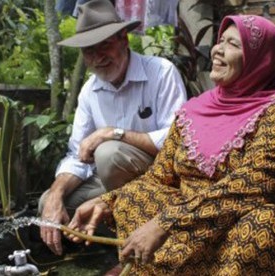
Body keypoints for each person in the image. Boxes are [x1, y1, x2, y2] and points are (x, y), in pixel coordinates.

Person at [67, 14, 275, 275]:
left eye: (233, 44)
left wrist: (165, 224)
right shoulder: (193, 111)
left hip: (240, 224)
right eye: (220, 41)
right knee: (134, 196)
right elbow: (158, 178)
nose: (218, 49)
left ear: (260, 59)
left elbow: (246, 190)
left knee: (263, 226)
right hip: (192, 224)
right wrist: (107, 201)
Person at [39, 0, 187, 256]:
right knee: (48, 202)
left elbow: (177, 140)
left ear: (124, 39)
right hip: (114, 183)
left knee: (108, 153)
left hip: (161, 181)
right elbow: (78, 156)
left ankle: (142, 242)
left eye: (104, 44)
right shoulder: (89, 91)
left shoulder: (161, 72)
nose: (98, 57)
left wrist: (113, 133)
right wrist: (55, 193)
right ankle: (109, 241)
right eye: (89, 50)